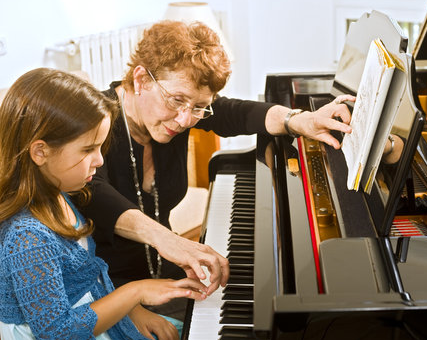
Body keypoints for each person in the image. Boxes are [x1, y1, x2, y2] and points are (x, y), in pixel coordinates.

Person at [78, 20, 356, 319]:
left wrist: (298, 120)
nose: (185, 120)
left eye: (199, 107)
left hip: (163, 277)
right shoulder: (92, 124)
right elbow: (94, 194)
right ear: (142, 79)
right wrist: (167, 247)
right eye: (177, 100)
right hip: (105, 293)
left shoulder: (178, 113)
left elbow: (235, 112)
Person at [0, 68, 207, 340]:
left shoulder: (62, 195)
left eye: (101, 148)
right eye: (88, 150)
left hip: (94, 316)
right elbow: (58, 335)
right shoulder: (28, 237)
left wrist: (132, 311)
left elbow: (86, 281)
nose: (99, 162)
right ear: (40, 152)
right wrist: (136, 293)